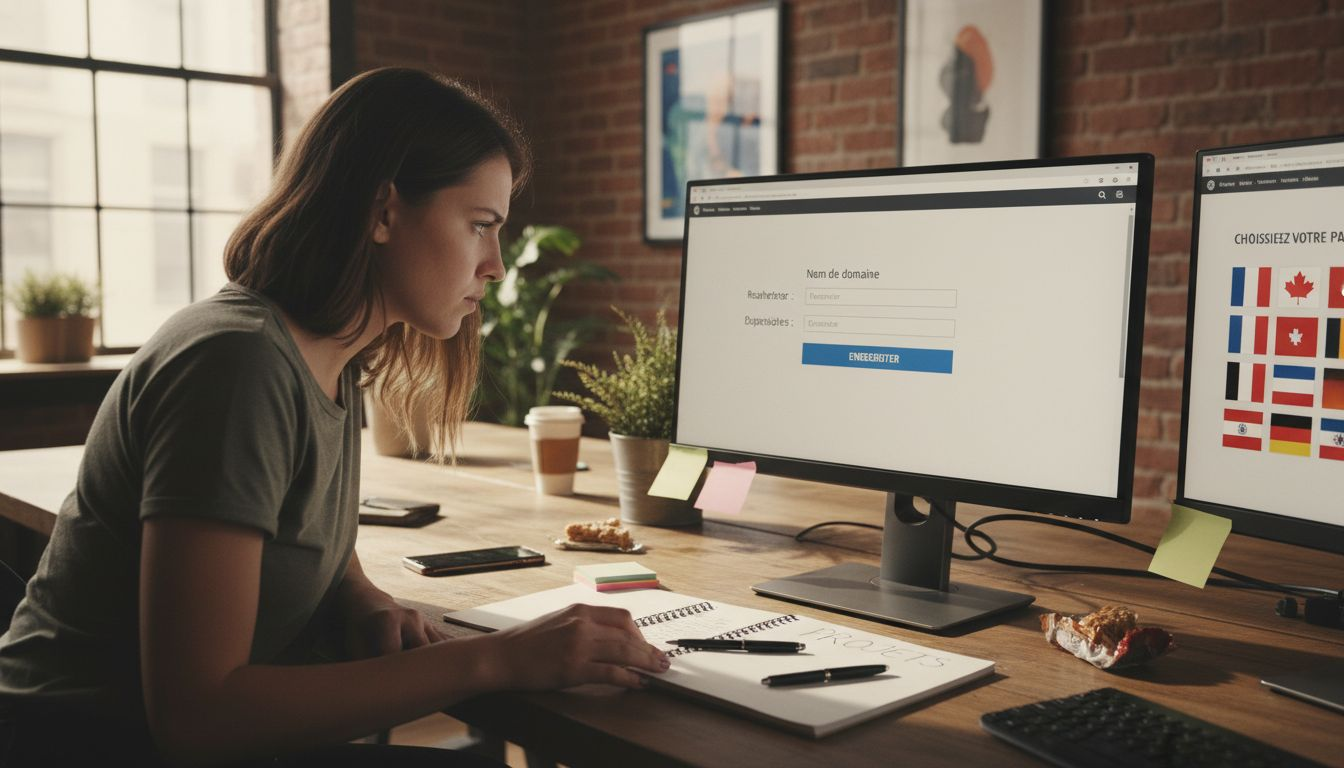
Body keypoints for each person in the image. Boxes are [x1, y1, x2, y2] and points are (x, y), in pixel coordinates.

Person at [0, 67, 670, 766]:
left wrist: (357, 592)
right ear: (382, 212)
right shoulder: (238, 364)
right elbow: (197, 717)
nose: (496, 266)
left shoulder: (327, 352)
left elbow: (296, 522)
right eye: (480, 226)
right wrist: (495, 659)